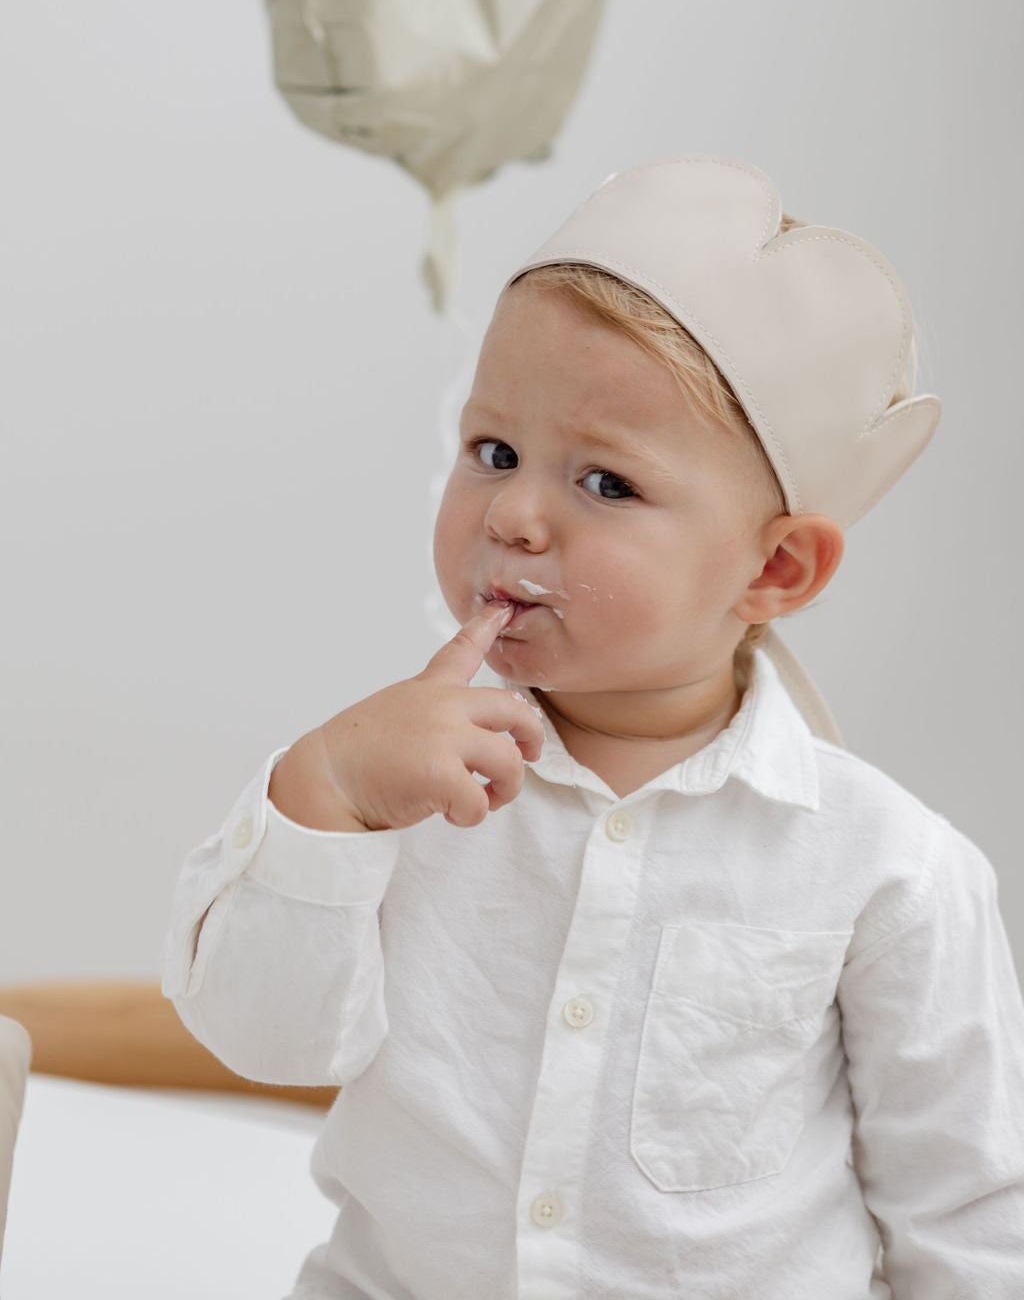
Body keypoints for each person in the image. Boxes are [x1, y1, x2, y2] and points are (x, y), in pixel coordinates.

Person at [162, 154, 1024, 1299]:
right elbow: (265, 1045)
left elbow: (964, 1213)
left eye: (605, 484)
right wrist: (324, 795)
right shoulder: (398, 782)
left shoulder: (886, 871)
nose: (513, 514)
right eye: (493, 452)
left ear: (775, 565)